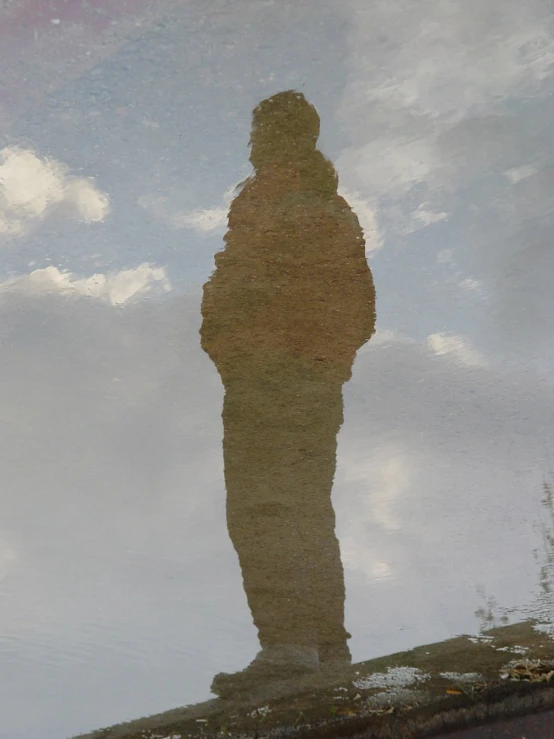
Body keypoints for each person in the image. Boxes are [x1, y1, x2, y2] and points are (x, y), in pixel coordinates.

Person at [201, 90, 376, 696]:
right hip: (295, 377)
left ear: (284, 136)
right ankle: (325, 648)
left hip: (272, 376)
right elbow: (355, 306)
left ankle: (291, 646)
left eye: (262, 132)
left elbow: (266, 285)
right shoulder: (320, 203)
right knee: (302, 506)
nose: (252, 143)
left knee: (264, 505)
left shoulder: (283, 200)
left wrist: (252, 350)